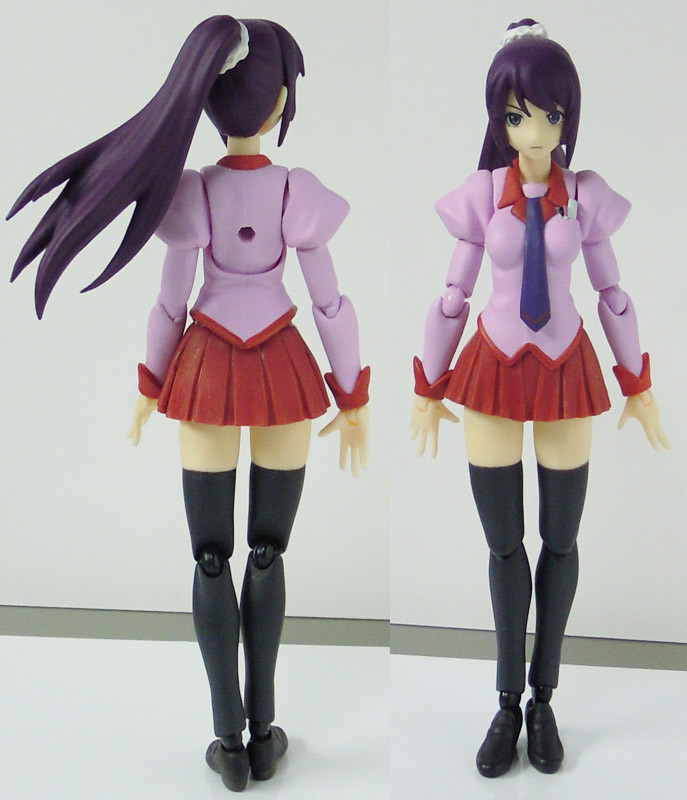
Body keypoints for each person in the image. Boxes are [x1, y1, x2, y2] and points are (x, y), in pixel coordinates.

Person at [8, 16, 369, 792]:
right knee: (267, 552)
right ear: (279, 102)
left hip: (206, 370)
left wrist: (150, 384)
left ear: (205, 100)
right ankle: (263, 731)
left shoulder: (195, 194)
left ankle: (228, 740)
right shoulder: (295, 192)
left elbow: (170, 305)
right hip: (283, 370)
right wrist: (351, 394)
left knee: (211, 557)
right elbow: (330, 304)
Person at [411, 18, 668, 778]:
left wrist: (637, 383)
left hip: (562, 367)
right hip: (492, 368)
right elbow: (452, 295)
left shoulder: (583, 198)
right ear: (498, 116)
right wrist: (427, 387)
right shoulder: (480, 197)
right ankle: (504, 701)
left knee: (560, 541)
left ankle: (543, 698)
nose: (534, 131)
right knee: (503, 545)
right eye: (518, 114)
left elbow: (613, 293)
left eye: (550, 114)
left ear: (567, 116)